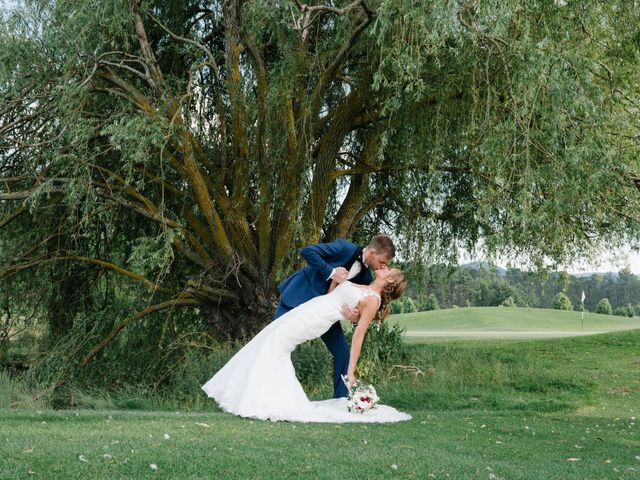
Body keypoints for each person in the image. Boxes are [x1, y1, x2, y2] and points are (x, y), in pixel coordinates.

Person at [201, 268, 410, 423]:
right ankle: (263, 397)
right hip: (312, 307)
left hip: (318, 318)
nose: (383, 266)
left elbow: (359, 335)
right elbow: (332, 297)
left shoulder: (372, 300)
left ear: (389, 279)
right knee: (270, 339)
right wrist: (336, 281)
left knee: (276, 344)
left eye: (388, 268)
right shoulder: (363, 287)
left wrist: (351, 369)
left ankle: (266, 401)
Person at [274, 235, 395, 398]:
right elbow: (307, 251)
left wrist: (354, 318)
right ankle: (271, 393)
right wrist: (332, 273)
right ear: (372, 252)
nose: (382, 267)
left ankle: (340, 401)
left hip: (326, 314)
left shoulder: (366, 278)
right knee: (274, 342)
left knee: (342, 353)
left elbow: (358, 307)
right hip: (299, 297)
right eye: (382, 262)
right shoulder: (345, 248)